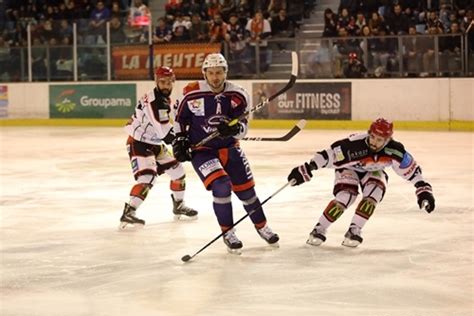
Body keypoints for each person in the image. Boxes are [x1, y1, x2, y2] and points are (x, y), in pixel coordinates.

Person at [172, 53, 279, 254]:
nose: (215, 77)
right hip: (202, 150)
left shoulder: (238, 95)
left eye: (219, 72)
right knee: (221, 186)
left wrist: (233, 129)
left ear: (225, 72)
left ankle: (262, 227)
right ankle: (228, 233)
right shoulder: (191, 93)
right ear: (204, 73)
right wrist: (179, 139)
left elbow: (244, 129)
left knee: (247, 193)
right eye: (211, 73)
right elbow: (179, 119)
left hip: (230, 149)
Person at [287, 118, 435, 247]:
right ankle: (319, 229)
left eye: (379, 140)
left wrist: (423, 190)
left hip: (373, 171)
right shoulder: (352, 146)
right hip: (348, 169)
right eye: (373, 137)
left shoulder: (395, 151)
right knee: (346, 196)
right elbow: (327, 155)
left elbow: (412, 170)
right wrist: (308, 168)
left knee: (374, 194)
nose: (374, 142)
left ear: (388, 140)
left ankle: (354, 230)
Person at [119, 66, 198, 230]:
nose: (166, 86)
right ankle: (129, 211)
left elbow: (173, 125)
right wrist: (183, 141)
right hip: (139, 142)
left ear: (173, 82)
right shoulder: (156, 102)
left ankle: (179, 205)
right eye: (162, 82)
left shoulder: (166, 99)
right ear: (156, 81)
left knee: (178, 172)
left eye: (169, 82)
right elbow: (165, 134)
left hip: (154, 143)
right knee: (148, 177)